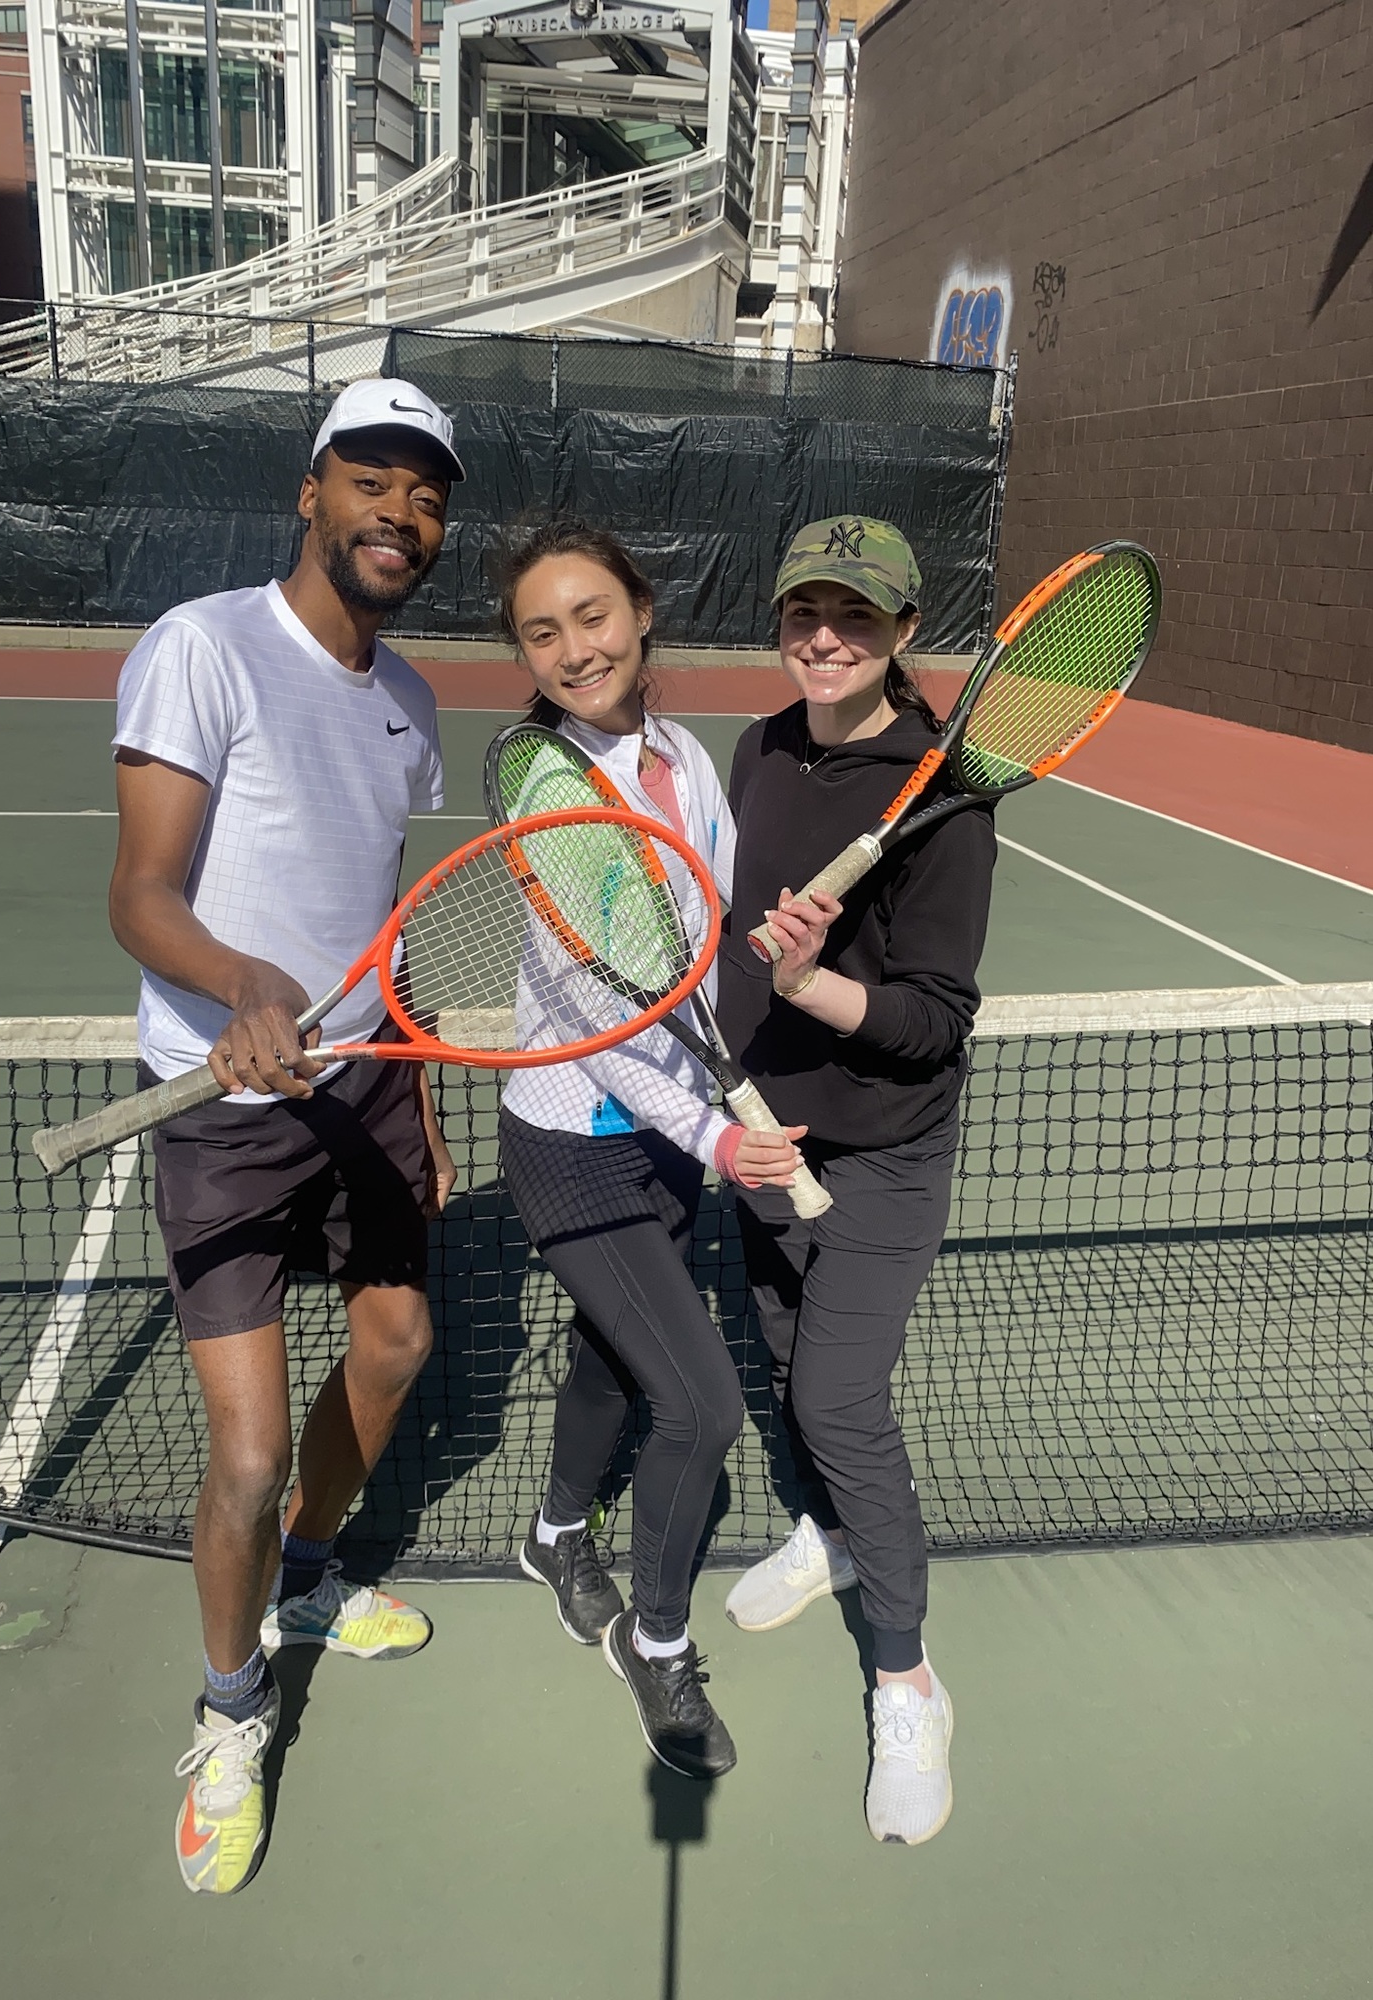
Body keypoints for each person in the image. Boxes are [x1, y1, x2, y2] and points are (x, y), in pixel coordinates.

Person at [108, 379, 464, 1896]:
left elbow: (379, 919)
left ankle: (310, 1589)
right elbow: (141, 893)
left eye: (430, 495)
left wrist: (420, 1087)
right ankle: (233, 1708)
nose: (402, 514)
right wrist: (241, 984)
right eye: (374, 480)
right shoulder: (202, 644)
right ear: (310, 490)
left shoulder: (413, 704)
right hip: (228, 1107)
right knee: (245, 1460)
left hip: (365, 1081)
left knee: (394, 1349)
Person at [493, 520, 806, 1780]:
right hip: (577, 1137)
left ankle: (556, 1529)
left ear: (643, 609)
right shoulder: (542, 779)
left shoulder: (681, 755)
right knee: (703, 1401)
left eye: (594, 615)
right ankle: (657, 1642)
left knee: (614, 1364)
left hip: (675, 1133)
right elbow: (600, 1011)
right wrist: (715, 1131)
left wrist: (779, 941)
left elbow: (700, 939)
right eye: (542, 631)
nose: (576, 648)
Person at [714, 516, 995, 1845]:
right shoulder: (761, 746)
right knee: (781, 1361)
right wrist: (728, 1101)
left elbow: (935, 1019)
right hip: (767, 1132)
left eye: (855, 618)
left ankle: (906, 1675)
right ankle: (825, 1536)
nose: (823, 638)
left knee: (837, 1395)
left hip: (886, 1147)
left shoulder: (943, 791)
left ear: (902, 631)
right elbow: (725, 938)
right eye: (803, 613)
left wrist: (815, 984)